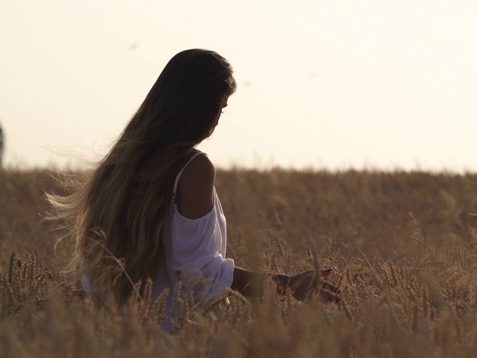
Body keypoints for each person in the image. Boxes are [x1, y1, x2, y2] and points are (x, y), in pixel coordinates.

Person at [47, 49, 340, 330]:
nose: (218, 119)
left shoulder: (116, 169)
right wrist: (287, 284)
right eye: (221, 107)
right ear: (203, 107)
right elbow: (198, 273)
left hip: (122, 337)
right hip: (183, 338)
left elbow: (94, 264)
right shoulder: (193, 169)